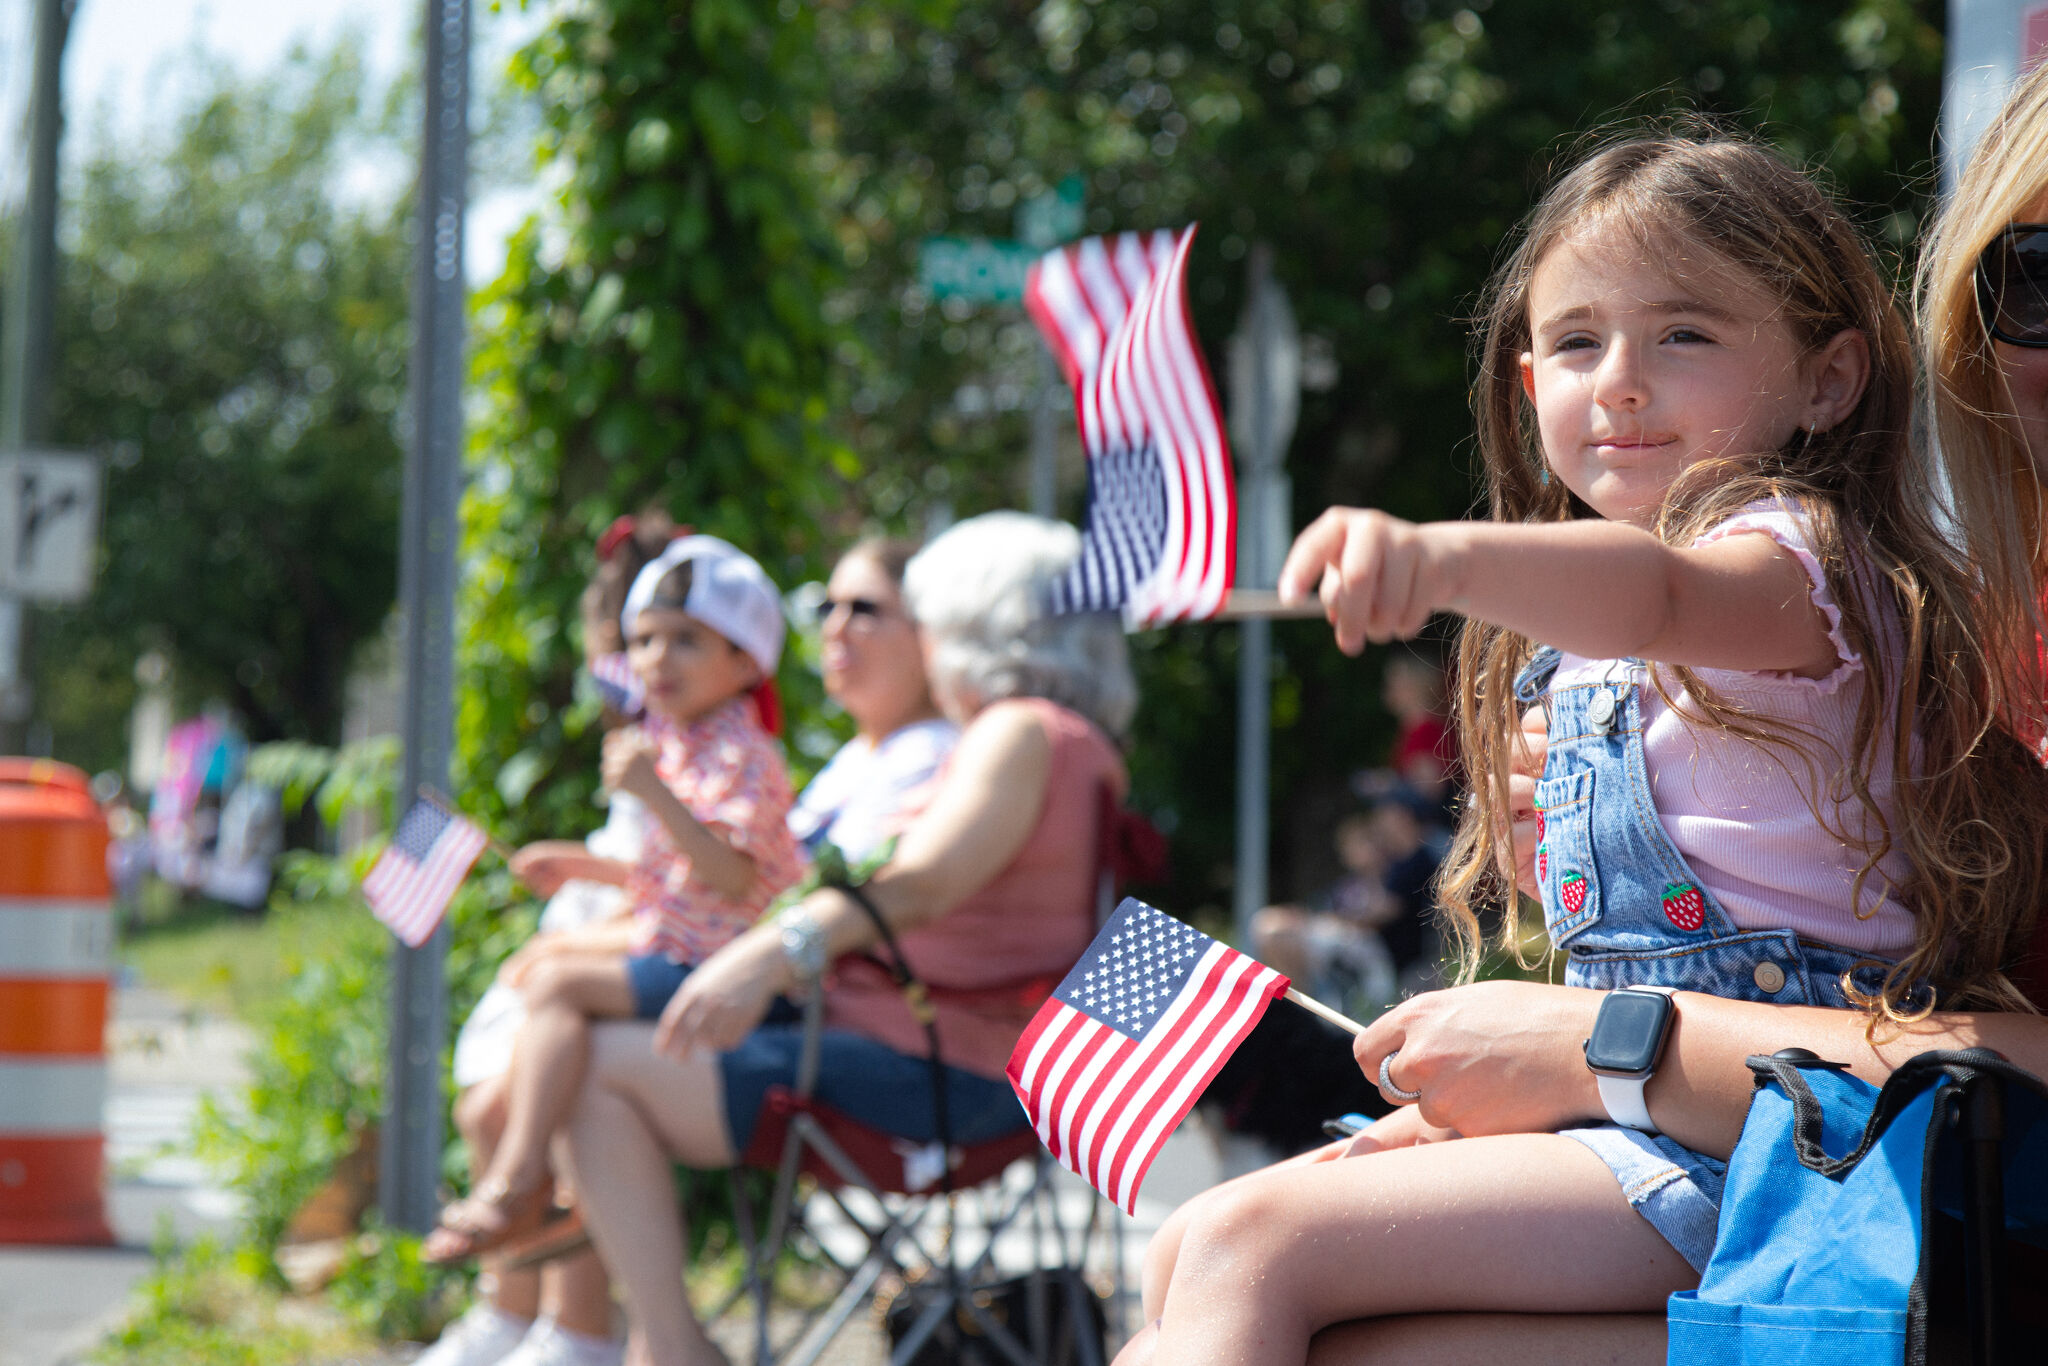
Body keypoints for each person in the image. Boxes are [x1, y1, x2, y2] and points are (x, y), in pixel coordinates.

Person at [1114, 129, 2048, 1366]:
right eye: (1573, 340)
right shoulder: (1581, 648)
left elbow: (1654, 590)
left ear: (1830, 380)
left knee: (1251, 1246)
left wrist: (1440, 556)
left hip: (1777, 1141)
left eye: (1683, 335)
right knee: (1191, 1249)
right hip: (1643, 1112)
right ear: (1521, 380)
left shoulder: (1797, 561)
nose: (1617, 379)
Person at [557, 511, 1135, 1366]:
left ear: (978, 625)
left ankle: (671, 1350)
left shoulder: (1020, 731)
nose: (925, 641)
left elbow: (921, 882)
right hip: (959, 1061)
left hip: (945, 1078)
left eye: (931, 618)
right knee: (597, 1046)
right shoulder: (1076, 744)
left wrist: (767, 955)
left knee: (597, 1071)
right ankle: (660, 1342)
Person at [424, 534, 805, 1264]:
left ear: (746, 661)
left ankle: (522, 1181)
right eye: (644, 640)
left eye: (687, 640)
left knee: (560, 982)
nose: (657, 660)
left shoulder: (740, 752)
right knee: (550, 980)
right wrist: (580, 869)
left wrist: (652, 794)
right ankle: (544, 1186)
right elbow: (671, 875)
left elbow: (731, 877)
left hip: (722, 967)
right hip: (679, 947)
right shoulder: (678, 742)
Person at [422, 515, 674, 1366]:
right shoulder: (655, 741)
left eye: (636, 654)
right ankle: (516, 1305)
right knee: (483, 1101)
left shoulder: (703, 748)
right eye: (621, 658)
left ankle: (576, 1325)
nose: (632, 679)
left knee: (526, 1099)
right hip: (614, 932)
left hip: (647, 946)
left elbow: (692, 877)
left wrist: (585, 898)